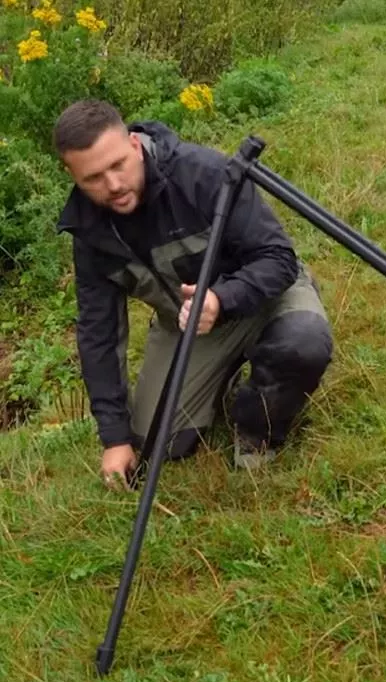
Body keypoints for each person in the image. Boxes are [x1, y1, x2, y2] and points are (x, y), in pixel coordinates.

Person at [53, 99, 334, 489]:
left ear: (134, 144)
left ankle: (258, 429)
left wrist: (221, 299)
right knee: (159, 444)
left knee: (303, 343)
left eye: (118, 165)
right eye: (94, 178)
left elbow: (278, 258)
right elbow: (98, 335)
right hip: (187, 326)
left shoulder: (203, 173)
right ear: (71, 175)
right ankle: (221, 377)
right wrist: (114, 438)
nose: (113, 185)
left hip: (264, 297)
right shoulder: (89, 233)